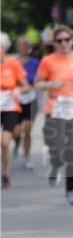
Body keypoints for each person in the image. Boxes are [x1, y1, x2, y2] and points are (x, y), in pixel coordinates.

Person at [34, 24, 73, 206]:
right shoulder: (48, 61)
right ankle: (56, 166)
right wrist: (51, 85)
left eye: (67, 40)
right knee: (58, 152)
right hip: (56, 111)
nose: (64, 43)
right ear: (54, 43)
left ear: (72, 41)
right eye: (60, 40)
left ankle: (70, 192)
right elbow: (37, 84)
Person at [0, 33, 30, 189]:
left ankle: (5, 174)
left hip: (10, 107)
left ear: (4, 48)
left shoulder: (13, 64)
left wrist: (19, 90)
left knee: (5, 143)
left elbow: (26, 86)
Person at [13, 36, 40, 169]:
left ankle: (27, 157)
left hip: (31, 99)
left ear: (28, 47)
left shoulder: (35, 62)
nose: (23, 47)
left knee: (27, 130)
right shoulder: (12, 63)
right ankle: (17, 142)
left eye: (25, 45)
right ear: (17, 47)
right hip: (15, 100)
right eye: (20, 45)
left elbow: (40, 79)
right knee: (16, 131)